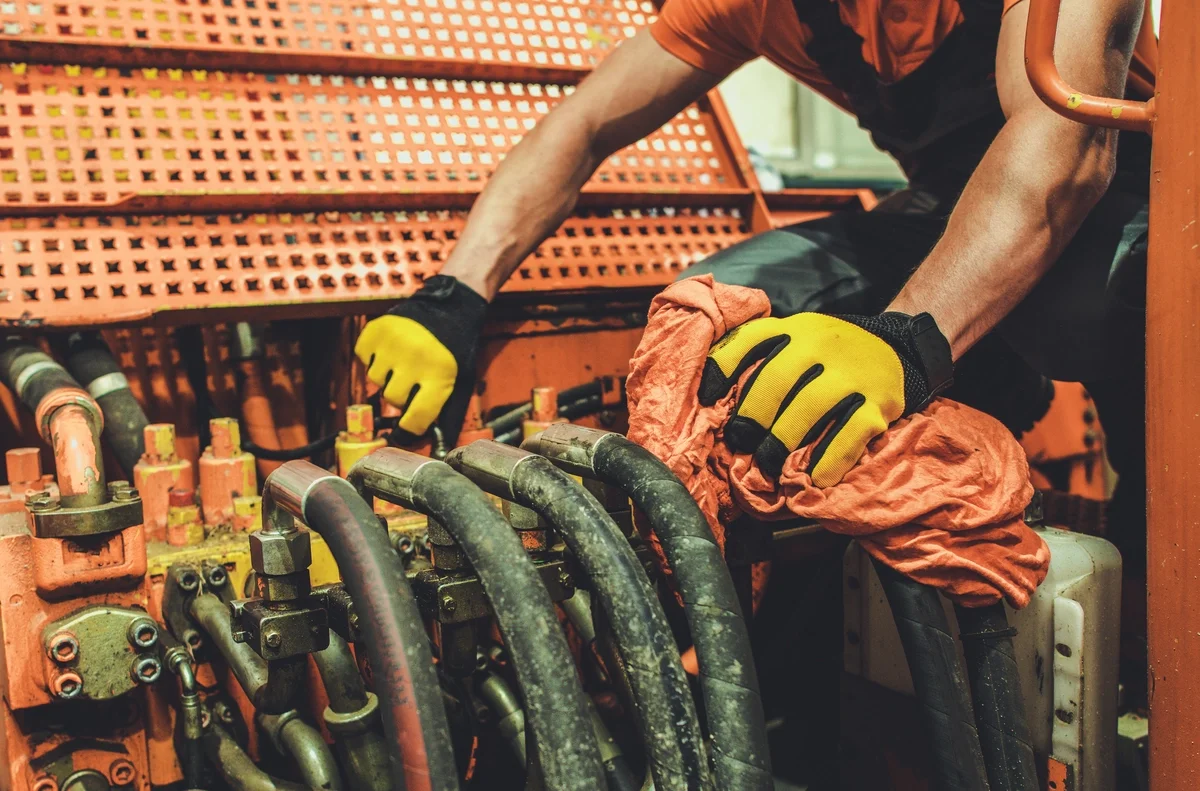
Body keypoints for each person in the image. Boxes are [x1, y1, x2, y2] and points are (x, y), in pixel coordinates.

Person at [357, 0, 1152, 605]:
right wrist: (454, 294)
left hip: (1132, 195)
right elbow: (583, 124)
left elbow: (1069, 146)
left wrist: (907, 339)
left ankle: (1157, 601)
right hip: (947, 207)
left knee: (1093, 316)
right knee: (713, 327)